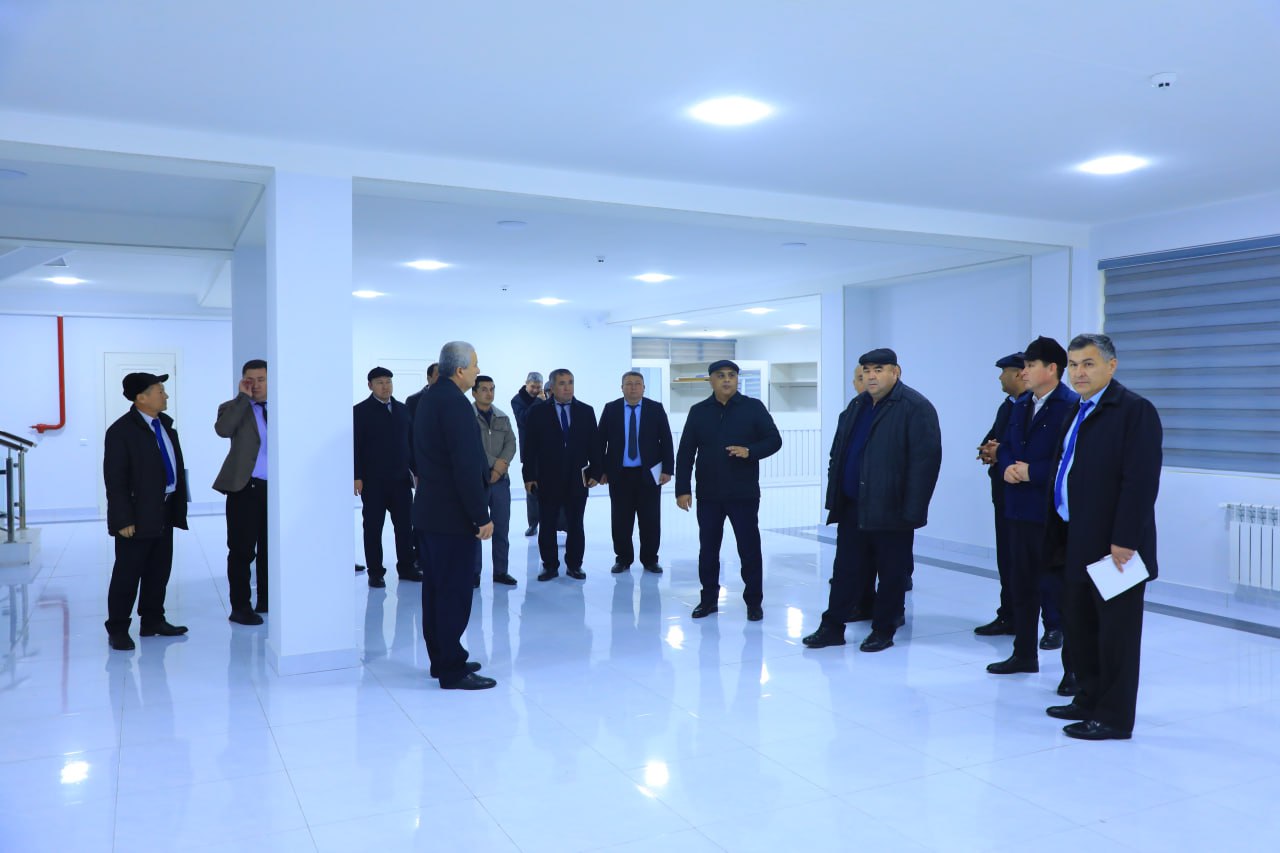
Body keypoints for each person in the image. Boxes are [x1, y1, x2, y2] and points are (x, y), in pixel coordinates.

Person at [1044, 333, 1161, 740]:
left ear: (1111, 366)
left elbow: (1140, 481)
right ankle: (1087, 699)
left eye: (1088, 363)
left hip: (1115, 547)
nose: (1079, 372)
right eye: (1074, 365)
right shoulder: (1077, 410)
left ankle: (1113, 717)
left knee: (1116, 635)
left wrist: (1125, 539)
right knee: (1081, 627)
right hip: (1075, 537)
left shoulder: (1134, 411)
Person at [803, 348, 941, 652]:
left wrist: (913, 511)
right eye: (866, 370)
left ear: (895, 372)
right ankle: (832, 627)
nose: (871, 376)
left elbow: (925, 464)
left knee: (891, 573)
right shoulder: (857, 405)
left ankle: (883, 629)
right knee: (844, 571)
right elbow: (839, 453)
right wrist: (837, 492)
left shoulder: (915, 407)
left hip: (892, 509)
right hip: (853, 506)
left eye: (878, 369)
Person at [987, 337, 1078, 686]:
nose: (1023, 372)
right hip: (1017, 509)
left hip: (1051, 514)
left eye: (1029, 365)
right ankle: (1023, 654)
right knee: (1022, 585)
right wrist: (1008, 465)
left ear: (1051, 369)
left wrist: (1032, 472)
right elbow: (1007, 445)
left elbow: (1070, 460)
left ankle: (1073, 671)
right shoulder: (1021, 404)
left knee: (1059, 590)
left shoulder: (1070, 406)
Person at [413, 341, 496, 690]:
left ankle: (442, 658)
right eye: (475, 365)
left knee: (435, 591)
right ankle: (452, 669)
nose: (478, 371)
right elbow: (464, 466)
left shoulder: (430, 398)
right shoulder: (455, 404)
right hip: (452, 517)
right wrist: (481, 515)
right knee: (453, 593)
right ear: (460, 370)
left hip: (430, 513)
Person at [675, 359, 782, 621]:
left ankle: (754, 602)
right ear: (711, 380)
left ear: (737, 379)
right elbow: (686, 452)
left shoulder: (753, 408)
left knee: (749, 548)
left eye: (731, 375)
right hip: (709, 494)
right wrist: (682, 489)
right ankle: (708, 600)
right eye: (721, 375)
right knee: (708, 549)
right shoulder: (699, 411)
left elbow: (774, 440)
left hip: (743, 493)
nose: (726, 380)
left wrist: (750, 451)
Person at [103, 373, 189, 650]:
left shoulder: (165, 425)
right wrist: (123, 519)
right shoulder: (121, 432)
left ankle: (152, 620)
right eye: (160, 391)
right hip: (137, 514)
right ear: (141, 397)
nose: (166, 395)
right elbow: (115, 480)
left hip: (164, 508)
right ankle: (118, 628)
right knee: (128, 574)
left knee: (159, 570)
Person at [521, 368, 601, 581]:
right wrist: (529, 476)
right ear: (552, 387)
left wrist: (596, 471)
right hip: (548, 478)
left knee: (576, 524)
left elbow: (594, 444)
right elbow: (529, 448)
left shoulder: (586, 411)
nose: (567, 387)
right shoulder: (538, 412)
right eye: (562, 383)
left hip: (577, 478)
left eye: (570, 382)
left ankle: (574, 565)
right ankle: (549, 565)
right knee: (547, 523)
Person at [598, 371, 674, 575]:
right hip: (619, 474)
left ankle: (650, 559)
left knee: (650, 520)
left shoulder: (655, 409)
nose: (633, 387)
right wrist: (601, 470)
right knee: (621, 520)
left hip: (649, 474)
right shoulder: (611, 409)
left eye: (637, 383)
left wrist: (668, 469)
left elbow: (666, 440)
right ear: (621, 387)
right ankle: (623, 559)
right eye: (629, 384)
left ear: (644, 388)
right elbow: (600, 442)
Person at [973, 353, 1027, 637]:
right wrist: (987, 450)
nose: (999, 378)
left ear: (1018, 373)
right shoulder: (1007, 406)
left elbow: (1025, 450)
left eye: (1003, 372)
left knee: (1026, 562)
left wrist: (999, 452)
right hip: (1003, 494)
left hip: (1025, 496)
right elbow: (991, 439)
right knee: (1006, 558)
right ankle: (1008, 615)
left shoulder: (1033, 407)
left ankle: (1046, 623)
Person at [354, 367, 422, 589]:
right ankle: (375, 572)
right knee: (373, 528)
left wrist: (416, 472)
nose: (385, 387)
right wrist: (357, 476)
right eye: (380, 382)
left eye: (388, 382)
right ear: (370, 385)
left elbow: (411, 443)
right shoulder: (360, 411)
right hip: (373, 481)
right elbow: (355, 447)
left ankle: (407, 567)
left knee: (405, 526)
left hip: (401, 480)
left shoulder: (403, 410)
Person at [214, 358, 269, 625]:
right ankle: (240, 607)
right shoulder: (232, 407)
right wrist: (243, 398)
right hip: (245, 488)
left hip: (276, 491)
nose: (255, 384)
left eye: (261, 379)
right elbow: (223, 430)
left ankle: (268, 600)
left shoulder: (285, 407)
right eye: (250, 379)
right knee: (242, 550)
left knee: (271, 549)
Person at [472, 375, 518, 587]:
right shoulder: (466, 417)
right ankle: (473, 573)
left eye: (492, 389)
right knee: (475, 528)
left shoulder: (502, 417)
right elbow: (471, 447)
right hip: (476, 481)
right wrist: (494, 464)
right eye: (484, 389)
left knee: (501, 527)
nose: (488, 393)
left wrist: (501, 467)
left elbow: (511, 443)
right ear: (474, 392)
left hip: (500, 481)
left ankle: (501, 571)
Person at [510, 371, 547, 537]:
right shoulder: (517, 400)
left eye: (539, 387)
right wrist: (538, 402)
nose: (536, 390)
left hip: (548, 450)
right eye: (533, 387)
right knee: (532, 489)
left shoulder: (546, 396)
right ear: (526, 383)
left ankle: (554, 523)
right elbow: (524, 419)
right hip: (530, 450)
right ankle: (533, 523)